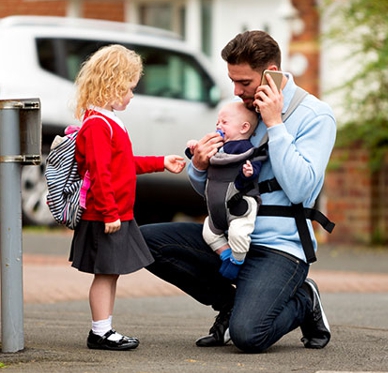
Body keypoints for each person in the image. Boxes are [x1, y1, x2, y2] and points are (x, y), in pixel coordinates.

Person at [141, 30, 336, 353]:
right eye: (233, 81)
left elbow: (301, 190)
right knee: (145, 243)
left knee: (249, 336)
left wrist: (275, 125)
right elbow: (213, 188)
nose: (236, 91)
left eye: (244, 82)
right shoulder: (240, 112)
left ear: (271, 71)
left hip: (279, 247)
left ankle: (304, 299)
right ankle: (231, 304)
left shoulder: (315, 116)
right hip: (228, 236)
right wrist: (201, 166)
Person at [69, 44, 186, 351]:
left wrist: (161, 161)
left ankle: (103, 328)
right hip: (104, 214)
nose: (132, 96)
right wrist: (109, 213)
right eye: (129, 89)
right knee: (106, 274)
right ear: (112, 83)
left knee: (111, 273)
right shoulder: (96, 125)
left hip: (115, 212)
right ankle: (100, 331)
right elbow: (99, 172)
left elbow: (123, 164)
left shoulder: (107, 120)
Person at [186, 101, 265, 281]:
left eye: (224, 122)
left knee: (239, 233)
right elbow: (203, 159)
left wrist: (249, 172)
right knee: (208, 232)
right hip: (217, 212)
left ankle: (237, 262)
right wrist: (194, 150)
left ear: (244, 127)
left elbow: (255, 165)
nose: (218, 126)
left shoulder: (244, 148)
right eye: (218, 122)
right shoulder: (219, 146)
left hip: (240, 207)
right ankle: (226, 254)